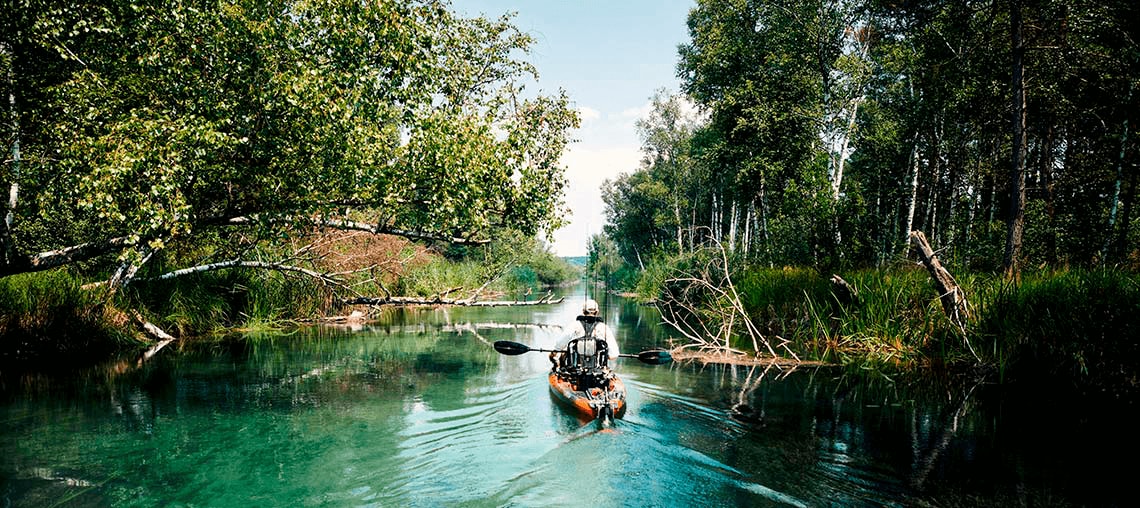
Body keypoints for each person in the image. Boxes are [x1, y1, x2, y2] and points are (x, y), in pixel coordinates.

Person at [550, 299, 620, 372]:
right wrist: (604, 356)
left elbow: (559, 345)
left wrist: (553, 353)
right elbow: (614, 354)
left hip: (576, 370)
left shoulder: (574, 326)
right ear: (597, 312)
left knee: (563, 352)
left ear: (583, 311)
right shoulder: (604, 328)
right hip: (598, 371)